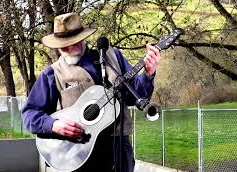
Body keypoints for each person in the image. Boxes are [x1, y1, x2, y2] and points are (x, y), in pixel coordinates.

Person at [22, 13, 161, 172]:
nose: (65, 48)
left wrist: (148, 74)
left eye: (71, 43)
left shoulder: (113, 58)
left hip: (119, 149)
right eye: (62, 44)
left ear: (82, 39)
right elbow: (30, 114)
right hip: (78, 152)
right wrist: (53, 124)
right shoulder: (52, 74)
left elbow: (137, 95)